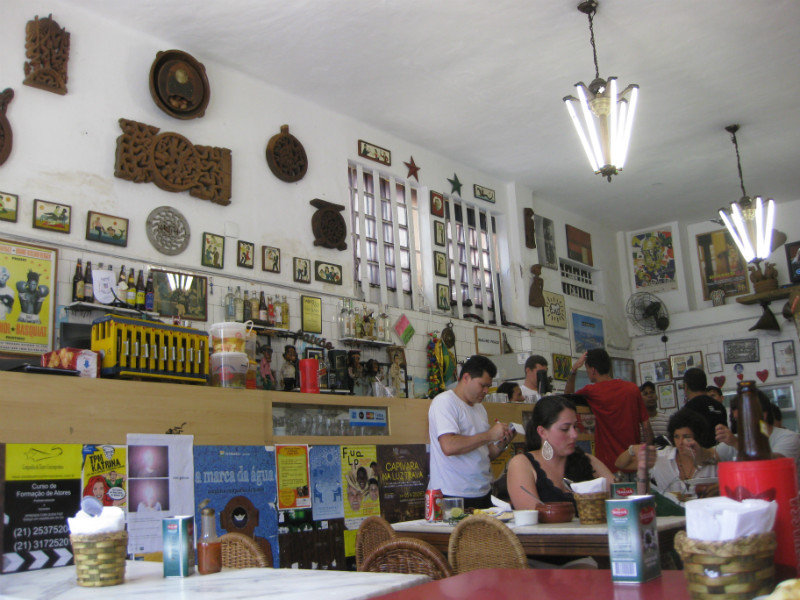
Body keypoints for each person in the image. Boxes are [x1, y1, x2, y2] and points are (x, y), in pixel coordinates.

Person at [428, 355, 513, 510]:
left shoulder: (480, 408)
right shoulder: (444, 402)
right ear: (466, 377)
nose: (486, 391)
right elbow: (448, 446)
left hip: (482, 491)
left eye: (489, 386)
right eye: (483, 385)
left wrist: (502, 443)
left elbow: (484, 453)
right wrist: (489, 435)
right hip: (452, 494)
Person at [507, 395, 614, 509]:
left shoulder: (587, 460)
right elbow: (532, 517)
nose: (574, 435)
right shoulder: (522, 464)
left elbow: (618, 493)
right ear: (542, 432)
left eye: (575, 426)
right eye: (565, 429)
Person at [565, 349, 653, 471]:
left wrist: (574, 369)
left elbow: (566, 399)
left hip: (608, 466)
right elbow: (646, 425)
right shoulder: (632, 389)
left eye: (587, 369)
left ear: (593, 370)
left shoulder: (591, 391)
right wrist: (647, 458)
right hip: (633, 463)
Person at [616, 409, 717, 497]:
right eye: (676, 437)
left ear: (697, 437)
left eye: (686, 436)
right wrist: (632, 449)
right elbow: (620, 464)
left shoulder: (711, 457)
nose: (680, 442)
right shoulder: (661, 456)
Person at [715, 390, 800, 476]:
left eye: (744, 418)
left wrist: (737, 443)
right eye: (737, 419)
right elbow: (709, 458)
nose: (740, 424)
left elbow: (775, 464)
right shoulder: (734, 439)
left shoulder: (788, 437)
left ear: (763, 415)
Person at [683, 368, 727, 447]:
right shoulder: (719, 406)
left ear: (686, 387)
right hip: (721, 453)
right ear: (705, 384)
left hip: (699, 454)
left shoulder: (687, 410)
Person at [641, 382, 670, 447]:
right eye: (645, 394)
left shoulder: (667, 419)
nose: (650, 396)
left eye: (652, 392)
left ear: (657, 396)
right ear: (640, 399)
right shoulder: (638, 423)